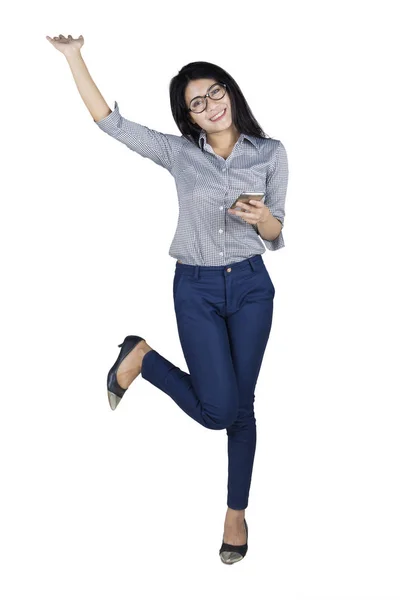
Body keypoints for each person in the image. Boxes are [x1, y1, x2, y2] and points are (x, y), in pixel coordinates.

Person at [46, 33, 289, 565]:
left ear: (231, 94)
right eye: (196, 102)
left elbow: (277, 230)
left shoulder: (271, 152)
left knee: (241, 408)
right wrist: (74, 57)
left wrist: (261, 218)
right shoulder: (180, 155)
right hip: (196, 289)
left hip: (251, 287)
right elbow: (110, 123)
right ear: (189, 117)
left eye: (215, 92)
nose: (210, 105)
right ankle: (142, 358)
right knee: (218, 411)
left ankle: (235, 513)